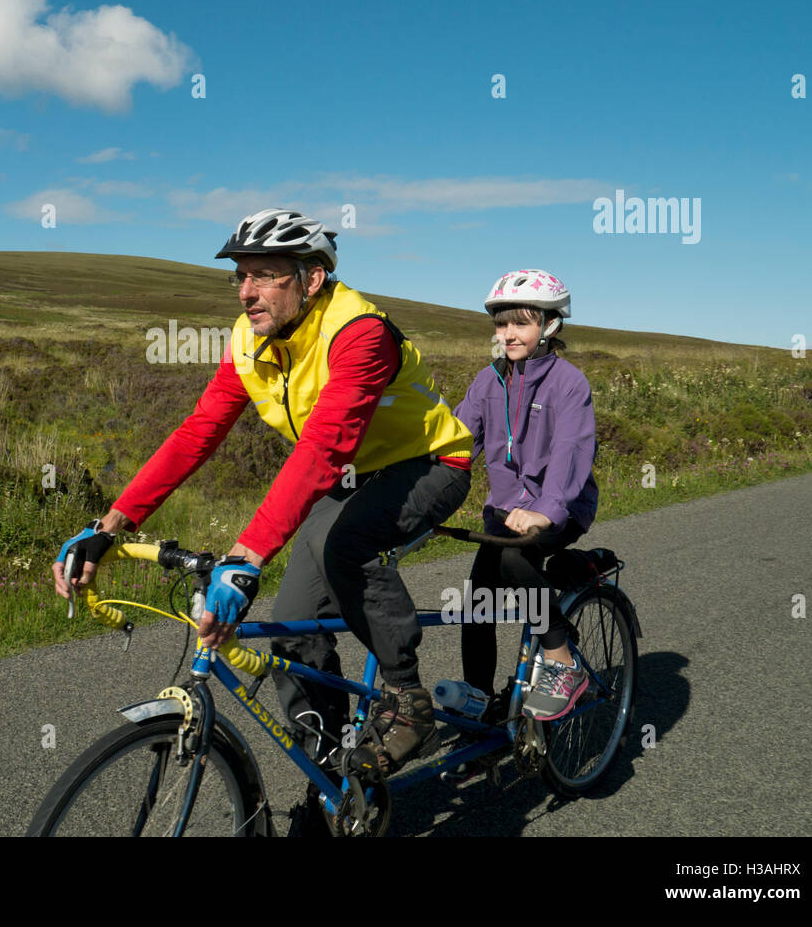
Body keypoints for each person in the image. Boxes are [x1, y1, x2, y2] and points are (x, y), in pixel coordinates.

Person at [52, 208, 473, 777]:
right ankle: (334, 781)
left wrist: (246, 560)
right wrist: (109, 527)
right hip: (348, 476)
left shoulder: (359, 332)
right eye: (240, 276)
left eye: (264, 275)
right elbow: (199, 433)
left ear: (311, 278)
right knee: (291, 629)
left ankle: (406, 699)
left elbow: (324, 448)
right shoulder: (249, 338)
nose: (246, 292)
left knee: (337, 542)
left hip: (426, 464)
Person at [453, 269, 599, 721]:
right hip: (503, 510)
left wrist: (545, 512)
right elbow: (456, 441)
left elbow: (570, 455)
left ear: (550, 325)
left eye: (521, 322)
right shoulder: (489, 381)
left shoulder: (569, 383)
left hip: (562, 507)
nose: (508, 333)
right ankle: (480, 702)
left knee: (516, 562)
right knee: (477, 601)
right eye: (501, 323)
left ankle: (562, 660)